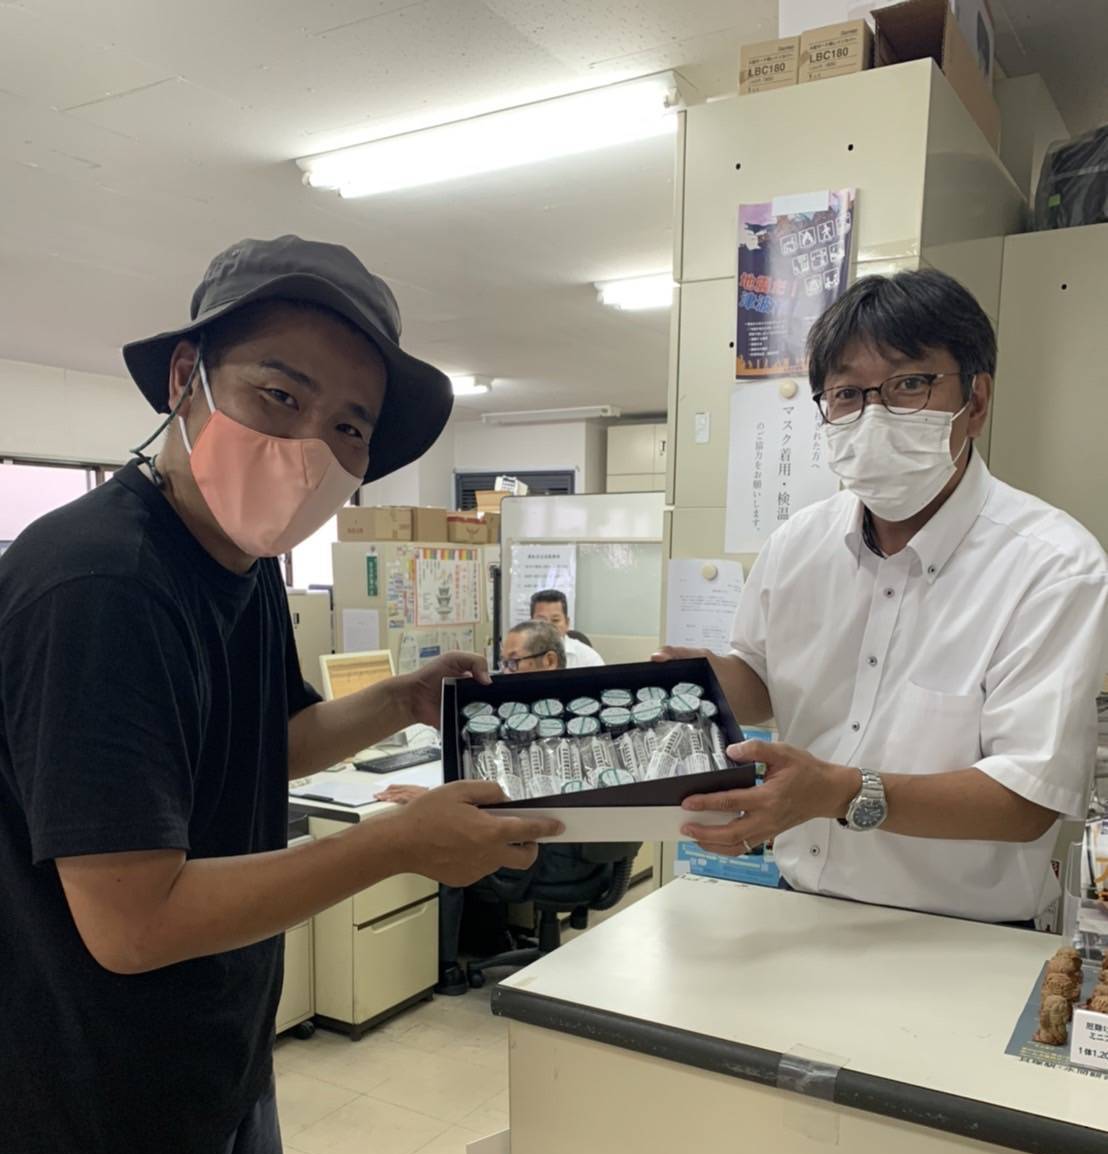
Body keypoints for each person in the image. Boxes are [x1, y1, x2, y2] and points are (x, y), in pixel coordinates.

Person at [0, 234, 561, 1154]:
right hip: (89, 1106)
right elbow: (131, 920)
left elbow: (265, 742)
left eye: (349, 425)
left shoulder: (238, 566)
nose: (312, 445)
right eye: (280, 393)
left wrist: (398, 701)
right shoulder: (99, 587)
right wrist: (398, 842)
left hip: (212, 1062)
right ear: (185, 378)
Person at [658, 267, 1107, 926]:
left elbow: (1027, 800)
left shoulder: (1053, 565)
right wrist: (704, 681)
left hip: (969, 937)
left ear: (976, 400)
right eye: (846, 394)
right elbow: (762, 680)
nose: (873, 416)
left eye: (908, 384)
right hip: (798, 906)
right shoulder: (798, 543)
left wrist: (839, 792)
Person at [378, 619, 618, 991]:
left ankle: (448, 972)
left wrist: (430, 800)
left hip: (544, 862)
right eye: (503, 663)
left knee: (448, 841)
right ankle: (493, 939)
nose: (505, 672)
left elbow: (506, 802)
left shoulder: (535, 728)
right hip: (590, 863)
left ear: (549, 660)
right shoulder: (585, 711)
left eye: (513, 662)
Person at [530, 588, 604, 666]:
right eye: (541, 621)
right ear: (530, 625)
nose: (549, 627)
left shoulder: (587, 657)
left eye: (555, 620)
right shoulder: (521, 654)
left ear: (567, 623)